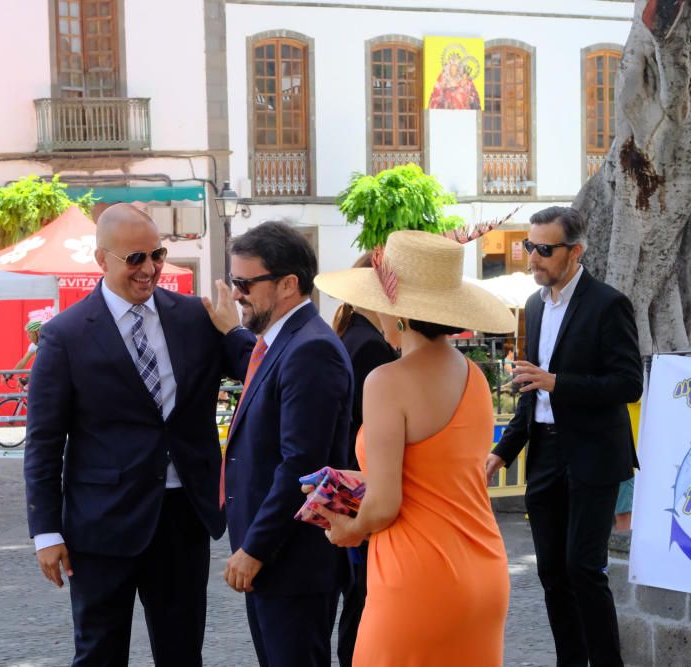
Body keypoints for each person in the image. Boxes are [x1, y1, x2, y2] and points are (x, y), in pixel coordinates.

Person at [24, 203, 254, 666]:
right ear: (101, 259)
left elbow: (262, 376)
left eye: (158, 255)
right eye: (135, 259)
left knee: (182, 652)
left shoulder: (195, 317)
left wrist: (234, 331)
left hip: (182, 516)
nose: (149, 269)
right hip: (101, 524)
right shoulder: (65, 336)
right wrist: (45, 532)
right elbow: (44, 443)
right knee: (99, 654)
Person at [314, 230, 516, 666]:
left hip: (417, 575)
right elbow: (440, 473)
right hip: (483, 568)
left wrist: (349, 529)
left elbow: (385, 504)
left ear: (399, 314)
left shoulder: (387, 381)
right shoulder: (475, 377)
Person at [487, 206, 642, 667]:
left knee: (583, 568)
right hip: (546, 455)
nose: (532, 257)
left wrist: (558, 382)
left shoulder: (608, 304)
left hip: (594, 455)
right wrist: (502, 450)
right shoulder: (535, 306)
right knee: (552, 572)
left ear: (575, 252)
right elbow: (534, 390)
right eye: (529, 247)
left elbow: (628, 383)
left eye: (544, 249)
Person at [203, 221, 353, 667]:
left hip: (293, 560)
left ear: (288, 284)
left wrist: (255, 549)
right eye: (234, 282)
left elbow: (299, 465)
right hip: (281, 561)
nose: (235, 294)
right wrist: (233, 334)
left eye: (245, 283)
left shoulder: (310, 349)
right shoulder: (286, 341)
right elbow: (260, 369)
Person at [328, 253, 397, 667]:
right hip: (364, 483)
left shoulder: (353, 333)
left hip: (352, 480)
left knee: (358, 595)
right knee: (364, 597)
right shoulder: (369, 343)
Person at [428, 45, 482, 110]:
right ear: (448, 69)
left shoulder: (465, 79)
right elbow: (436, 96)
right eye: (451, 69)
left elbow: (473, 95)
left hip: (463, 111)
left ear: (459, 69)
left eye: (455, 69)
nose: (453, 72)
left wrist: (470, 98)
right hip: (446, 111)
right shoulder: (442, 78)